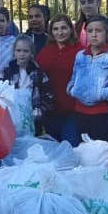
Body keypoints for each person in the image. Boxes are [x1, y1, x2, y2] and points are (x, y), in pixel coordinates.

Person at [67, 16, 108, 143]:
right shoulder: (80, 55)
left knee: (102, 154)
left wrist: (102, 93)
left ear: (107, 33)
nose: (94, 34)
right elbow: (74, 77)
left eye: (98, 31)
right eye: (90, 31)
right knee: (83, 153)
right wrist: (72, 89)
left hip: (103, 114)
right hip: (80, 112)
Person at [41, 14, 83, 144]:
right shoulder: (45, 51)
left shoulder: (80, 52)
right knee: (52, 148)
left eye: (64, 28)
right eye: (56, 29)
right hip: (50, 109)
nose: (60, 32)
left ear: (71, 29)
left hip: (72, 108)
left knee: (70, 145)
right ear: (51, 32)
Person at [1, 35, 55, 135]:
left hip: (33, 120)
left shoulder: (38, 73)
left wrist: (38, 112)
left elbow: (49, 96)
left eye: (26, 51)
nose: (22, 54)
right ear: (14, 52)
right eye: (18, 50)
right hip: (12, 120)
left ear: (31, 53)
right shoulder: (7, 72)